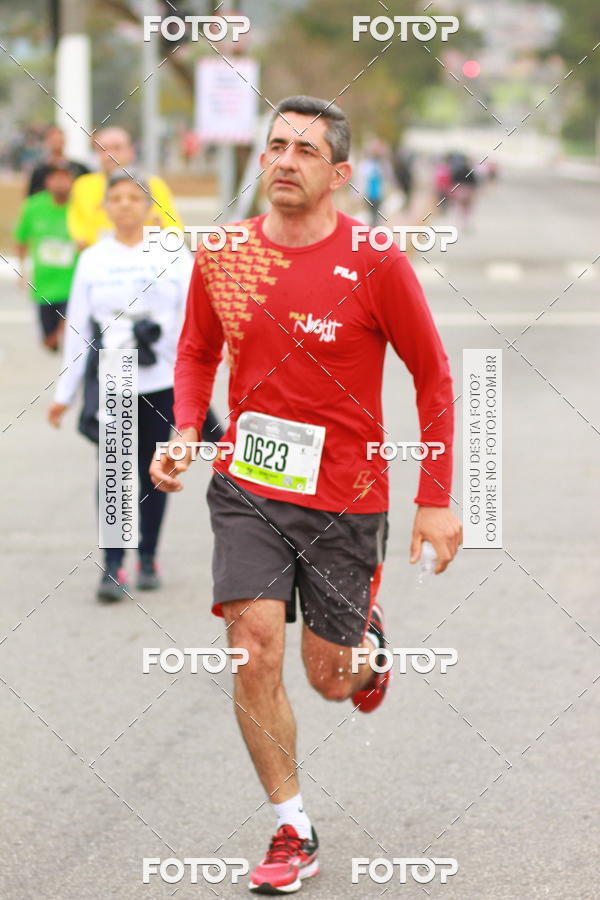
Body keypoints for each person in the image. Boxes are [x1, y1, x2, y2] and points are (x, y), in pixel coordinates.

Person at [150, 95, 462, 895]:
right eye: (276, 145)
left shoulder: (376, 262)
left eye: (305, 151)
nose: (285, 160)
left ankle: (369, 651)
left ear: (339, 174)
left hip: (347, 499)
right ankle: (293, 828)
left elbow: (432, 377)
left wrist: (435, 498)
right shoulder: (228, 254)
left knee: (330, 677)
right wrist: (188, 427)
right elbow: (195, 350)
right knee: (251, 648)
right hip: (248, 488)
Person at [48, 168, 221, 602]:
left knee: (155, 470)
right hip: (117, 374)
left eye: (133, 198)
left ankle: (147, 556)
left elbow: (196, 315)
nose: (125, 205)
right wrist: (64, 394)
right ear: (105, 208)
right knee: (114, 472)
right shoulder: (93, 260)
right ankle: (112, 565)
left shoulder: (171, 252)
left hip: (164, 376)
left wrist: (195, 373)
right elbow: (79, 331)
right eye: (117, 198)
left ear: (148, 207)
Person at [68, 127, 182, 247]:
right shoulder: (83, 185)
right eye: (103, 149)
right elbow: (77, 225)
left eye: (117, 148)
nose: (110, 155)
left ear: (130, 151)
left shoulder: (153, 185)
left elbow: (173, 229)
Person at [14, 160, 79, 350]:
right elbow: (21, 239)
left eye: (65, 177)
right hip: (44, 287)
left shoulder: (80, 207)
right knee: (49, 342)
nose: (61, 182)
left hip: (72, 285)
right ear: (47, 181)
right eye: (56, 177)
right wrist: (22, 269)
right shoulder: (33, 206)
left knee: (69, 334)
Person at [27, 125, 89, 196]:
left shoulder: (79, 168)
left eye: (59, 139)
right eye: (53, 139)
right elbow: (32, 196)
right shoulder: (39, 172)